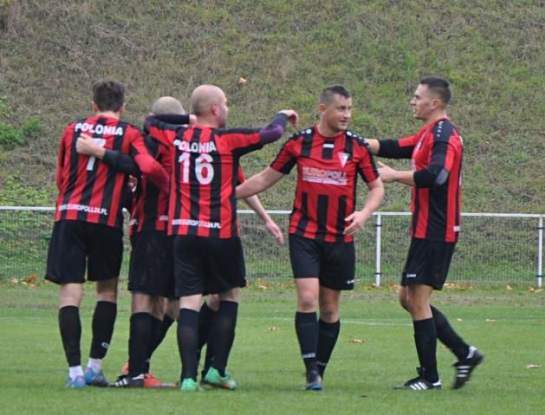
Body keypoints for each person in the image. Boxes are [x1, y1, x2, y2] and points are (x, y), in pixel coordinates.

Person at [77, 97, 285, 388]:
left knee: (163, 302)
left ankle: (148, 369)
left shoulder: (166, 137)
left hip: (169, 229)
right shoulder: (201, 140)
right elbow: (239, 174)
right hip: (185, 227)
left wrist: (101, 153)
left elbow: (143, 166)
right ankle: (177, 367)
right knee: (181, 303)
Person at [145, 84, 296, 392]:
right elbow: (271, 133)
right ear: (214, 109)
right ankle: (217, 370)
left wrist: (189, 119)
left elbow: (150, 122)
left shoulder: (176, 137)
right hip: (221, 232)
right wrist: (283, 114)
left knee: (188, 301)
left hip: (184, 232)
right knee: (228, 296)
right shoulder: (228, 140)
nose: (227, 108)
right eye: (224, 103)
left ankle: (187, 378)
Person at [237, 85, 384, 390]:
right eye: (341, 108)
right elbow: (266, 177)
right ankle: (311, 372)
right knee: (307, 299)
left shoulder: (356, 147)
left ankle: (320, 368)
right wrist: (226, 196)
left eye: (349, 109)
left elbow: (377, 188)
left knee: (329, 308)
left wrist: (364, 214)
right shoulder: (299, 142)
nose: (346, 115)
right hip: (304, 233)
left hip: (340, 238)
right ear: (323, 109)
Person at [46, 79, 167, 389]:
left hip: (69, 216)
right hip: (106, 219)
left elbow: (62, 176)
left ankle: (73, 372)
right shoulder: (130, 134)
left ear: (93, 105)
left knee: (70, 294)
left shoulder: (72, 129)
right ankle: (94, 367)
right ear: (123, 106)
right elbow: (146, 167)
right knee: (106, 292)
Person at [366, 76, 484, 391]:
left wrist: (392, 177)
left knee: (417, 300)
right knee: (408, 298)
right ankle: (465, 353)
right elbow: (396, 146)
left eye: (417, 97)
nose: (412, 101)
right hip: (425, 230)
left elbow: (437, 175)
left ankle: (430, 377)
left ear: (435, 103)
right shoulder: (428, 133)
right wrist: (359, 143)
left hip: (437, 230)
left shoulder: (446, 134)